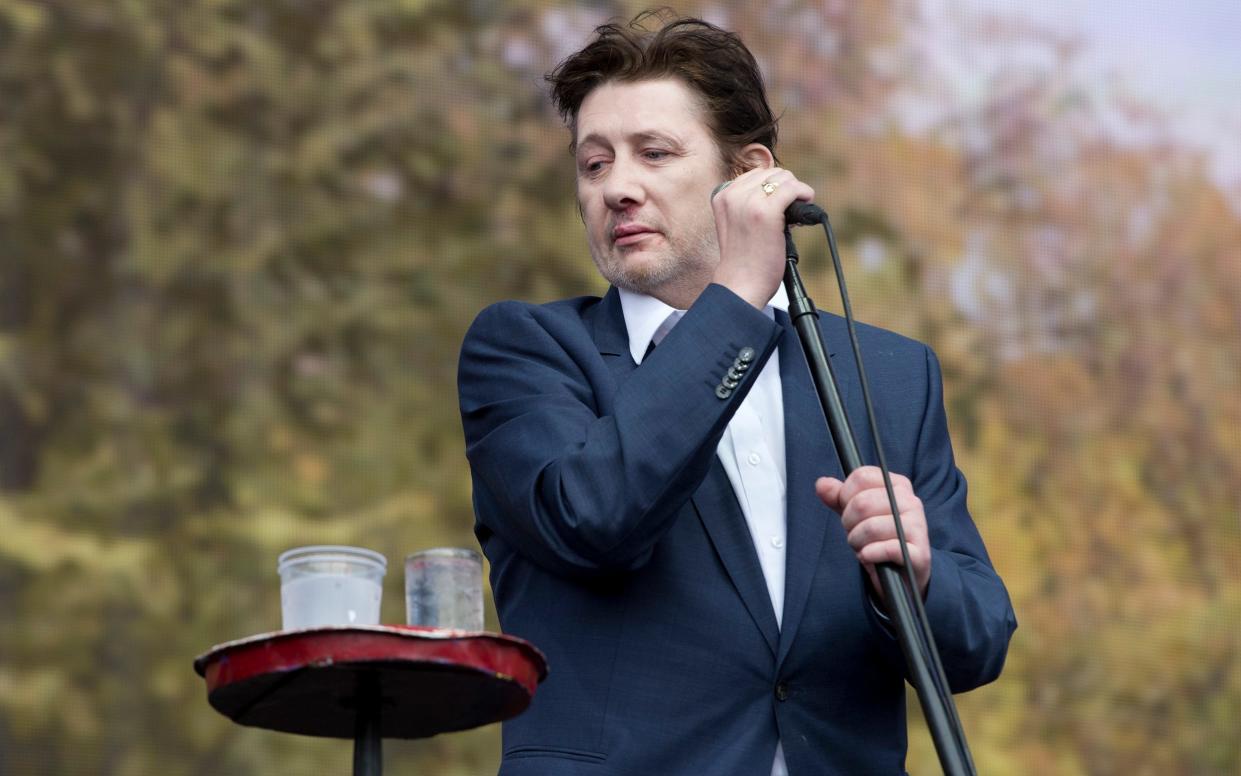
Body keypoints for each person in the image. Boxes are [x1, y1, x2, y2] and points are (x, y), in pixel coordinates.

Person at [458, 12, 1016, 776]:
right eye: (592, 165)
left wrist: (916, 577)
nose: (617, 187)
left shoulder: (886, 374)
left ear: (751, 172)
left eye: (654, 153)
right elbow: (593, 517)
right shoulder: (526, 350)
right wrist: (737, 299)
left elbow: (977, 645)